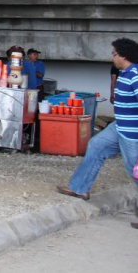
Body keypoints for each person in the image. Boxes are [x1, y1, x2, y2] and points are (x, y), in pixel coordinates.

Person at [57, 38, 138, 230]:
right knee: (96, 145)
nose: (112, 57)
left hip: (132, 133)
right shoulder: (124, 73)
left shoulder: (135, 74)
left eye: (114, 53)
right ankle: (79, 188)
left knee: (134, 172)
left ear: (123, 55)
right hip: (119, 127)